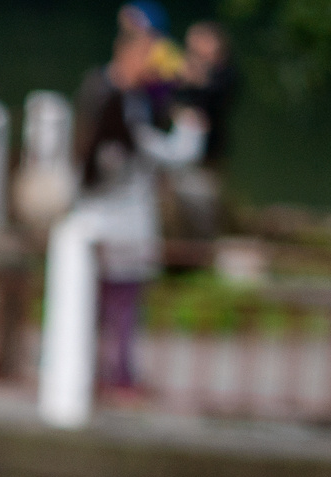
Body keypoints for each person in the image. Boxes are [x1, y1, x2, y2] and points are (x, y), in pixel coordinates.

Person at [73, 24, 207, 391]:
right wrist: (190, 127)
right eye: (148, 56)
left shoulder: (120, 95)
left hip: (107, 217)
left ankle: (102, 373)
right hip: (117, 221)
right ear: (130, 54)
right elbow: (155, 153)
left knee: (108, 303)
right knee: (116, 303)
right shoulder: (115, 100)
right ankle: (114, 376)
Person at [174, 21, 240, 238]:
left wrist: (195, 78)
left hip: (209, 152)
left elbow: (216, 98)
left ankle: (205, 243)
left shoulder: (226, 73)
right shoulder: (184, 71)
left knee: (206, 201)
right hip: (181, 148)